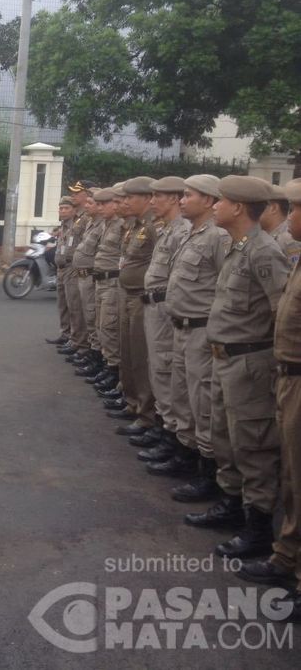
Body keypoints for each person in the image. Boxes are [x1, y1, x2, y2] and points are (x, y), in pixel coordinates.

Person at [185, 175, 290, 560]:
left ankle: (258, 528)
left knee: (253, 446)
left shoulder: (263, 252)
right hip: (224, 358)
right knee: (225, 438)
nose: (215, 206)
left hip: (249, 364)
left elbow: (284, 312)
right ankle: (231, 507)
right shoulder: (238, 246)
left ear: (239, 208)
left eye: (221, 201)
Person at [236, 177, 301, 621]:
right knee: (293, 480)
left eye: (295, 209)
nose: (288, 216)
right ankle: (286, 558)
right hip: (288, 375)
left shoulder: (274, 251)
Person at [157, 175, 231, 502]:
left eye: (189, 195)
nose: (182, 200)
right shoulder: (191, 233)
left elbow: (225, 287)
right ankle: (184, 455)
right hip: (181, 326)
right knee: (182, 397)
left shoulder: (219, 237)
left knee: (202, 404)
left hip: (203, 330)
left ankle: (208, 475)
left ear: (210, 200)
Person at [138, 177, 191, 474]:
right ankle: (164, 431)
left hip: (166, 308)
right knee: (157, 368)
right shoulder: (168, 229)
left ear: (173, 199)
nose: (152, 201)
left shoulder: (182, 231)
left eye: (157, 196)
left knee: (166, 370)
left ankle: (173, 442)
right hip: (155, 305)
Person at [111, 177, 158, 436]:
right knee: (127, 351)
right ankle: (132, 402)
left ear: (146, 198)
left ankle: (146, 414)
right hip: (128, 293)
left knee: (141, 357)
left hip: (142, 297)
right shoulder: (136, 225)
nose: (125, 202)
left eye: (130, 198)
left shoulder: (153, 226)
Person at [89, 187, 123, 392]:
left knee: (109, 327)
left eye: (104, 204)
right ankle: (106, 365)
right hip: (100, 280)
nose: (100, 208)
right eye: (98, 204)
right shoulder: (107, 224)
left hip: (113, 282)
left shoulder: (121, 226)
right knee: (100, 325)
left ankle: (113, 371)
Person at [71, 194, 105, 376]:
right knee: (86, 315)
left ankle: (96, 358)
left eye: (92, 203)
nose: (88, 206)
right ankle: (90, 353)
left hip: (94, 277)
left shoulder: (104, 226)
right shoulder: (92, 223)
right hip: (83, 276)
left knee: (93, 319)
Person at [60, 180, 93, 359]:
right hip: (71, 267)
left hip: (80, 269)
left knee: (79, 310)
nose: (73, 195)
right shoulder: (81, 217)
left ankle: (81, 345)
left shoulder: (86, 217)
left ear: (87, 194)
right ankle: (76, 341)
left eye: (77, 193)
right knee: (72, 307)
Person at [46, 197, 75, 345]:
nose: (63, 211)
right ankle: (65, 334)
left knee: (72, 305)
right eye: (61, 208)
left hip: (70, 269)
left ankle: (73, 338)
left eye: (66, 208)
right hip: (61, 269)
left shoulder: (76, 226)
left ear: (73, 210)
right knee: (62, 304)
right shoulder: (63, 226)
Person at [260, 183, 301, 265]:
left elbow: (293, 274)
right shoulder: (264, 234)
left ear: (273, 208)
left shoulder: (289, 239)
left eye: (258, 206)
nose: (252, 211)